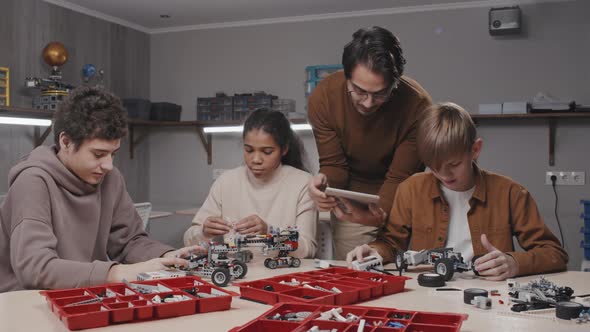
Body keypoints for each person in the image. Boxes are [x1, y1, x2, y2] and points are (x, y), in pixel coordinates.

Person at [0, 87, 202, 293]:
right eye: (98, 154)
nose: (108, 165)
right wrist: (115, 273)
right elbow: (35, 269)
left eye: (113, 154)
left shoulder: (110, 179)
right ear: (66, 142)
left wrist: (166, 257)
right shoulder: (32, 182)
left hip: (80, 296)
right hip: (24, 303)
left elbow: (129, 242)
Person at [347, 102, 568, 280]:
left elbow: (554, 254)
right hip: (428, 294)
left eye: (453, 165)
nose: (444, 175)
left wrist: (514, 263)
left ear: (475, 150)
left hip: (490, 296)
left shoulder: (510, 192)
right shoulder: (411, 189)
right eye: (433, 167)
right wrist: (374, 252)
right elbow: (391, 244)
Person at [307, 26, 433, 259]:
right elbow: (334, 165)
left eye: (380, 94)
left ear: (395, 83)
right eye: (359, 91)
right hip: (351, 206)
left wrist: (381, 213)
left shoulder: (418, 107)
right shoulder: (323, 98)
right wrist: (324, 185)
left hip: (400, 200)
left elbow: (400, 178)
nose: (368, 103)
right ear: (346, 77)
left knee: (401, 278)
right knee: (356, 274)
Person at [184, 108, 317, 258]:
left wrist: (270, 232)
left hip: (283, 275)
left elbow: (307, 250)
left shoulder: (303, 183)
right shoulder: (226, 182)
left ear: (284, 149)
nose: (256, 159)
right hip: (236, 274)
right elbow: (188, 240)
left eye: (267, 152)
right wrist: (204, 232)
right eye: (249, 150)